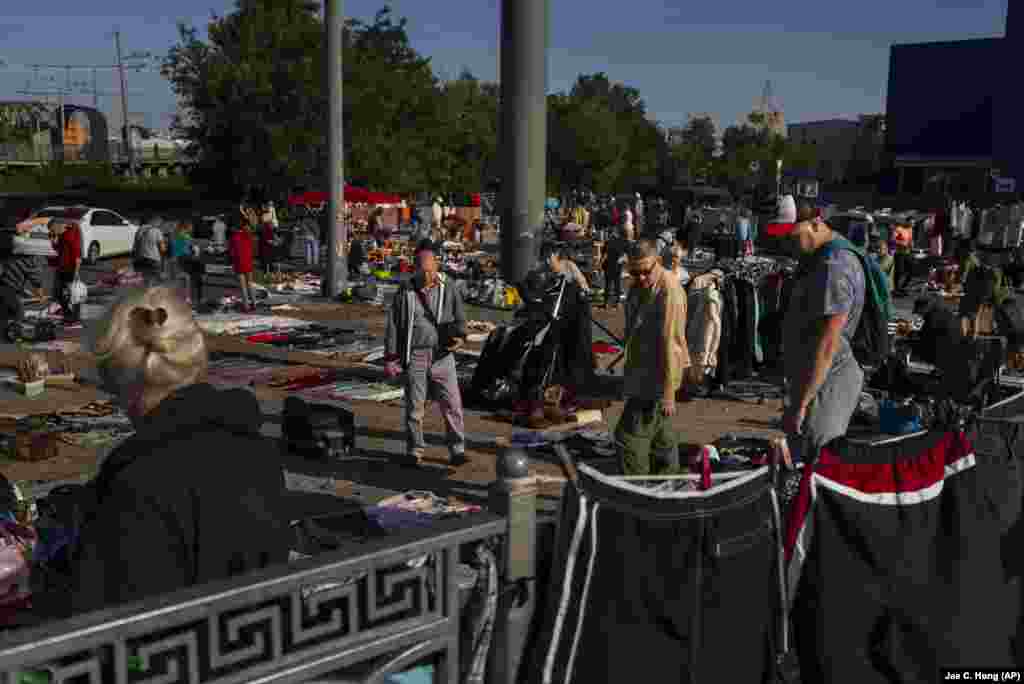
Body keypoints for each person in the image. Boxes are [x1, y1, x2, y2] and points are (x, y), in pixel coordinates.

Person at [45, 286, 291, 618]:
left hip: (179, 660)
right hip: (255, 647)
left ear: (120, 380)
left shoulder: (140, 480)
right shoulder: (260, 452)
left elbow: (103, 623)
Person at [767, 197, 866, 465]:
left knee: (817, 460)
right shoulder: (816, 259)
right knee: (800, 458)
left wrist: (803, 401)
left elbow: (828, 341)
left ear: (815, 222)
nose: (785, 242)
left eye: (790, 234)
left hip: (829, 378)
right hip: (814, 377)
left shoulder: (834, 266)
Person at [384, 240, 468, 467]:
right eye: (420, 263)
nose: (425, 268)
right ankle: (415, 449)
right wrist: (391, 356)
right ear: (415, 264)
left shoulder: (448, 287)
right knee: (414, 407)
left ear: (436, 262)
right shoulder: (406, 290)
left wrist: (460, 338)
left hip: (442, 355)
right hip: (416, 355)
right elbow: (393, 324)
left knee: (452, 404)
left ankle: (457, 448)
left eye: (428, 262)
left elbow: (461, 320)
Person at [616, 239, 690, 475]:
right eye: (634, 272)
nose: (640, 277)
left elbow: (671, 344)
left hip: (658, 377)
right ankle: (669, 483)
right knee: (661, 436)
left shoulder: (669, 290)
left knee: (629, 438)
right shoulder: (639, 286)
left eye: (645, 271)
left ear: (657, 262)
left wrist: (668, 393)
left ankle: (637, 488)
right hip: (644, 371)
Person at [0, 223, 46, 337]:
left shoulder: (10, 253)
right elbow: (36, 279)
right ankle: (12, 334)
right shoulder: (28, 258)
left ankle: (4, 332)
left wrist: (23, 291)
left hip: (4, 286)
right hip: (8, 289)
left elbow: (11, 274)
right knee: (19, 312)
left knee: (5, 311)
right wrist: (41, 295)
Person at [51, 219, 83, 323]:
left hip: (71, 268)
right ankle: (68, 314)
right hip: (61, 267)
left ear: (57, 226)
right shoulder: (61, 234)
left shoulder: (71, 233)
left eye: (52, 229)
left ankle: (74, 317)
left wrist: (77, 271)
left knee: (73, 293)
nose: (52, 232)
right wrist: (54, 241)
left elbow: (77, 253)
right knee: (57, 293)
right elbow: (58, 249)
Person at [229, 218, 257, 311]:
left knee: (243, 286)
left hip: (239, 263)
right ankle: (254, 303)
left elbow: (232, 252)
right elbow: (253, 248)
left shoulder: (234, 237)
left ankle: (246, 306)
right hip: (248, 262)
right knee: (250, 283)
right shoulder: (248, 235)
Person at [132, 217, 166, 287]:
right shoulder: (156, 231)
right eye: (160, 223)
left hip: (139, 259)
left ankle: (146, 289)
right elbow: (163, 249)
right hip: (153, 260)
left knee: (146, 278)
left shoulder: (139, 230)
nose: (160, 224)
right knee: (158, 279)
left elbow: (136, 245)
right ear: (154, 222)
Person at [600, 228, 629, 308]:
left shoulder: (608, 242)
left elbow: (604, 255)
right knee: (617, 284)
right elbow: (626, 255)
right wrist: (622, 260)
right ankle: (617, 302)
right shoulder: (623, 242)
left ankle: (606, 303)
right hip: (617, 265)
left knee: (608, 285)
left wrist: (599, 264)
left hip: (608, 265)